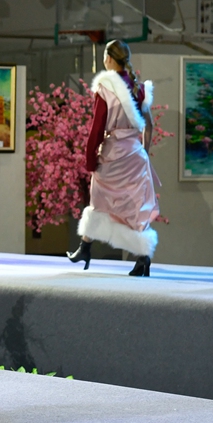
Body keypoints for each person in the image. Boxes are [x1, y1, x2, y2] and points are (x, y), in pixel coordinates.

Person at [67, 40, 160, 277]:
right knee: (135, 205)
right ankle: (143, 258)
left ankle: (85, 248)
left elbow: (97, 127)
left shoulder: (106, 86)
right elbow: (148, 124)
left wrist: (90, 159)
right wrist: (144, 153)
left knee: (99, 199)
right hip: (134, 154)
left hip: (112, 154)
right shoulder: (138, 88)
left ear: (108, 58)